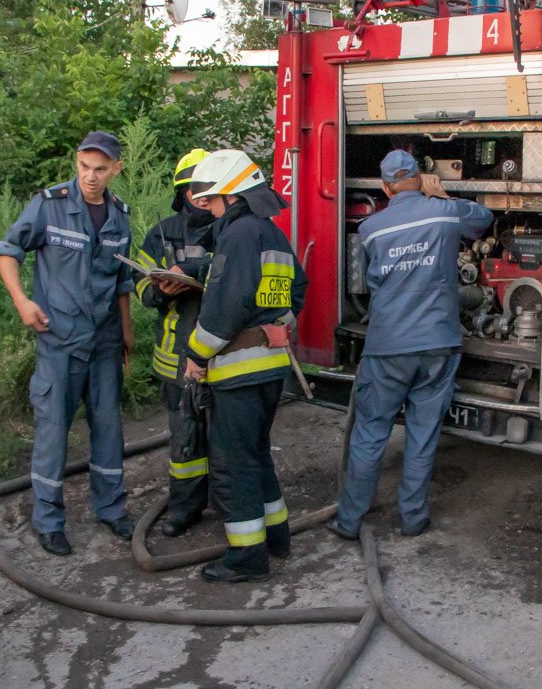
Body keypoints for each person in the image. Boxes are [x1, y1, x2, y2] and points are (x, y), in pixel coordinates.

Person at [328, 149, 492, 540]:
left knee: (370, 433)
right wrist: (443, 196)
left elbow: (369, 282)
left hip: (387, 346)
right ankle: (413, 519)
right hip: (438, 344)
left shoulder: (371, 229)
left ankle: (349, 521)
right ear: (420, 179)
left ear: (385, 188)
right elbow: (483, 219)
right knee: (423, 435)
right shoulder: (445, 213)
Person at [0, 131, 136, 557]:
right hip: (60, 340)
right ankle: (49, 521)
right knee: (54, 432)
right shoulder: (50, 205)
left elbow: (121, 279)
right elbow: (7, 250)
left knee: (108, 429)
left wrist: (127, 327)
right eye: (84, 167)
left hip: (105, 342)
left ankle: (111, 509)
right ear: (76, 162)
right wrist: (22, 301)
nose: (90, 177)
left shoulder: (119, 216)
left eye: (100, 169)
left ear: (116, 169)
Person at [182, 149, 308, 583]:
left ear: (231, 195)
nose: (210, 209)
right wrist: (276, 326)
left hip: (238, 373)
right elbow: (297, 289)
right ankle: (277, 538)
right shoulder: (272, 234)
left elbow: (224, 307)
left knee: (235, 466)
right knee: (256, 455)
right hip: (270, 369)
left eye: (213, 201)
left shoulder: (237, 235)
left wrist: (197, 355)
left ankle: (247, 558)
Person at [134, 149, 215, 537]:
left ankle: (230, 504)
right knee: (185, 440)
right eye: (194, 189)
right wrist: (159, 290)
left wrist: (198, 271)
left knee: (226, 437)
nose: (202, 197)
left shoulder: (231, 228)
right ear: (182, 192)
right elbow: (139, 286)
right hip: (176, 357)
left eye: (209, 189)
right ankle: (185, 509)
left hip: (222, 355)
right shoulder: (162, 232)